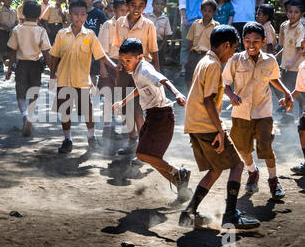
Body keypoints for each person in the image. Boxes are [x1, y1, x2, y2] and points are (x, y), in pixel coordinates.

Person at [179, 25, 261, 230]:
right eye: (233, 49)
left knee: (215, 169)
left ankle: (189, 212)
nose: (233, 53)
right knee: (237, 165)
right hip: (206, 125)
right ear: (226, 45)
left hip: (194, 124)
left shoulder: (204, 61)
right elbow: (208, 100)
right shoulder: (215, 65)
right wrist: (220, 131)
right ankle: (231, 215)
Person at [112, 38, 192, 206]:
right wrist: (123, 102)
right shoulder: (137, 70)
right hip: (154, 115)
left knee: (143, 155)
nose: (125, 64)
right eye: (122, 60)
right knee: (153, 159)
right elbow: (139, 88)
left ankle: (179, 172)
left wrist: (177, 93)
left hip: (161, 116)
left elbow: (163, 80)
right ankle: (182, 190)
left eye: (128, 60)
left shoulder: (145, 70)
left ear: (139, 57)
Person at [223, 22, 293, 200]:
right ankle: (253, 171)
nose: (251, 45)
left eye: (256, 41)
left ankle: (273, 180)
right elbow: (225, 84)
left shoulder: (269, 60)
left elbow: (274, 79)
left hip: (263, 112)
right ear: (242, 42)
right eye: (247, 41)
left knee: (266, 147)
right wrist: (231, 95)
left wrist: (287, 93)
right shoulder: (235, 60)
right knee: (242, 148)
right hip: (241, 112)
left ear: (263, 41)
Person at [49, 0, 118, 153]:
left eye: (82, 14)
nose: (79, 17)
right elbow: (54, 56)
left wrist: (114, 66)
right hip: (64, 80)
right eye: (75, 14)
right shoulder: (61, 35)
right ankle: (67, 140)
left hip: (82, 81)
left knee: (88, 112)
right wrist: (52, 76)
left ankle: (91, 138)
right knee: (65, 112)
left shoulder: (90, 35)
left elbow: (100, 55)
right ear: (69, 15)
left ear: (86, 16)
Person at [113, 0, 159, 164]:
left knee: (138, 109)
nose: (137, 8)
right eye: (133, 5)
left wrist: (157, 74)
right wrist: (118, 69)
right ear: (127, 4)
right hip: (124, 70)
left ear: (145, 6)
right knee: (125, 107)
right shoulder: (119, 23)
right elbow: (119, 48)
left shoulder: (148, 25)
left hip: (142, 71)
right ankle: (132, 140)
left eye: (141, 5)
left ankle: (144, 148)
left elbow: (154, 51)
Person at [6, 0, 51, 137]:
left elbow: (12, 51)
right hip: (36, 66)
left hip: (21, 65)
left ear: (23, 13)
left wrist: (9, 69)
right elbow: (46, 53)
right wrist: (53, 71)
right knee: (33, 93)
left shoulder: (17, 30)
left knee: (20, 94)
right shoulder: (41, 31)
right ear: (39, 15)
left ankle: (25, 115)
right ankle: (30, 116)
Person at [98, 0, 127, 141]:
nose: (124, 13)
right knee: (108, 98)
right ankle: (107, 129)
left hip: (125, 66)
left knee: (122, 98)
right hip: (110, 65)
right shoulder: (108, 25)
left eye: (126, 10)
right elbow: (101, 50)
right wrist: (103, 67)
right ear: (114, 10)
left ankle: (126, 128)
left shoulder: (129, 26)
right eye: (121, 10)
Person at [179, 0, 213, 76]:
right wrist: (184, 18)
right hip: (189, 19)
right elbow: (182, 3)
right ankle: (184, 66)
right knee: (186, 44)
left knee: (203, 44)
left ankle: (201, 66)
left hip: (204, 21)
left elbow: (213, 2)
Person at [276, 0, 305, 117]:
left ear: (302, 14)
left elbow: (300, 49)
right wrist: (276, 56)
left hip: (296, 66)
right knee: (287, 87)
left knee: (295, 89)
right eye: (290, 12)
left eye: (296, 12)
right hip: (286, 64)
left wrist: (291, 63)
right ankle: (290, 108)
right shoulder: (285, 26)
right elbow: (286, 46)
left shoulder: (301, 28)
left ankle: (301, 108)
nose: (292, 15)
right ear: (286, 12)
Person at [185, 0, 219, 90]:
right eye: (205, 10)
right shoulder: (195, 24)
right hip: (194, 54)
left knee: (205, 78)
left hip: (207, 56)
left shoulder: (216, 26)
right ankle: (190, 96)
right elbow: (190, 42)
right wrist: (188, 58)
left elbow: (217, 45)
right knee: (190, 76)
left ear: (214, 12)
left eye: (210, 11)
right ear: (201, 10)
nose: (207, 13)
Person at [283, 38, 305, 175]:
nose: (303, 51)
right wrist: (288, 98)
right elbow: (299, 88)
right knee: (302, 128)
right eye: (302, 48)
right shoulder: (303, 67)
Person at [80, 0, 107, 88]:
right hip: (79, 47)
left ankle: (90, 97)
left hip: (92, 48)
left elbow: (105, 27)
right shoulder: (77, 11)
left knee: (92, 74)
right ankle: (80, 99)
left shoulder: (98, 13)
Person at [143, 0, 173, 72]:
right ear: (152, 4)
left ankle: (160, 82)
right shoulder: (147, 16)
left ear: (165, 6)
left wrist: (161, 47)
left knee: (159, 65)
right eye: (157, 4)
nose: (159, 6)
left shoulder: (165, 19)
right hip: (147, 43)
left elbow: (167, 35)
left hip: (160, 44)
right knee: (148, 63)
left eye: (162, 4)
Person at [0, 0, 18, 74]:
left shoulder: (14, 10)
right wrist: (6, 28)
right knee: (1, 47)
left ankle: (13, 63)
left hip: (12, 32)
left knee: (12, 47)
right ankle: (1, 63)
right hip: (3, 31)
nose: (9, 0)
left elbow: (16, 21)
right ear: (3, 0)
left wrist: (13, 28)